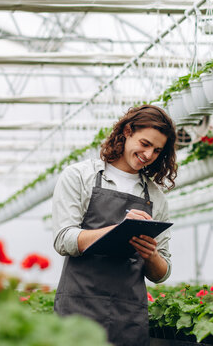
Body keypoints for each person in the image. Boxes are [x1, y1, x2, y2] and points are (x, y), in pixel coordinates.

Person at [52, 104, 177, 346]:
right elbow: (63, 239)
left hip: (128, 314)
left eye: (157, 150)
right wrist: (118, 229)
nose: (149, 155)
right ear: (128, 131)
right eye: (145, 143)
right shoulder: (80, 176)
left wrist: (151, 255)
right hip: (78, 309)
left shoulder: (156, 197)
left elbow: (163, 272)